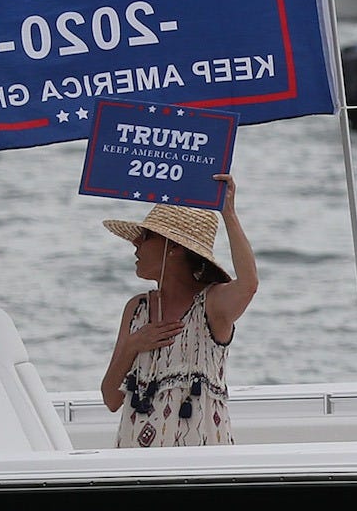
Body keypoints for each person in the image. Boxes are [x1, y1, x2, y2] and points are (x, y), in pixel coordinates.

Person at [100, 178, 259, 447]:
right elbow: (111, 399)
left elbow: (249, 285)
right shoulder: (137, 308)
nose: (135, 245)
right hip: (136, 464)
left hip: (199, 464)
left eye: (146, 236)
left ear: (173, 247)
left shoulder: (211, 305)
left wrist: (229, 214)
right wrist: (133, 346)